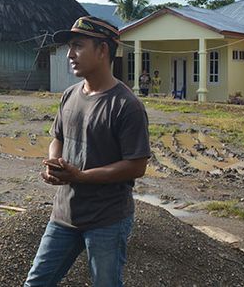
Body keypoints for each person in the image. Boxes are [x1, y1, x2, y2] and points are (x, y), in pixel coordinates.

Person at [24, 16, 151, 287]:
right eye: (70, 47)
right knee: (36, 282)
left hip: (106, 220)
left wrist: (81, 176)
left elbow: (136, 165)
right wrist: (54, 163)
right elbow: (56, 136)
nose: (70, 54)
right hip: (64, 215)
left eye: (78, 46)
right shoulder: (69, 95)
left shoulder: (126, 105)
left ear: (103, 50)